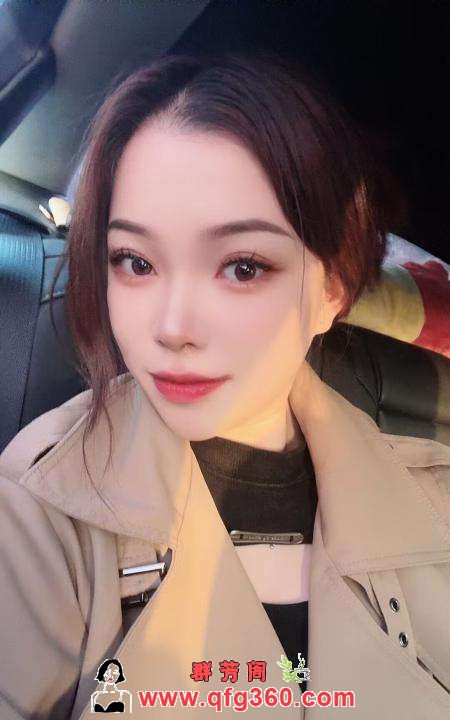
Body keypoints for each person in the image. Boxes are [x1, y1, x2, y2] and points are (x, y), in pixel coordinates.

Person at [0, 51, 448, 719]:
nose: (172, 328)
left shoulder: (436, 500)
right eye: (135, 262)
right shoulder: (39, 512)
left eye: (242, 267)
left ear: (333, 286)